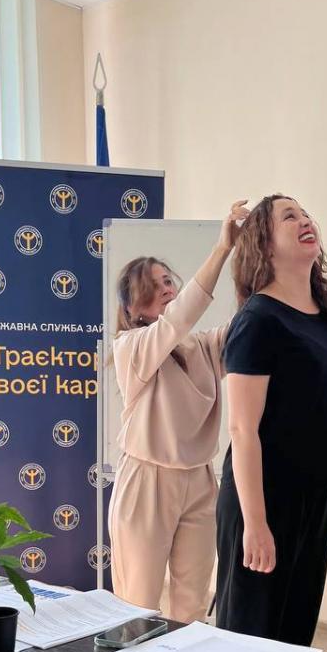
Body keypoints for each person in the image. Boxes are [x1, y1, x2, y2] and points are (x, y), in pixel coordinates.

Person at [215, 194, 327, 645]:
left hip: (316, 495)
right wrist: (255, 524)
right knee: (249, 639)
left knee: (294, 638)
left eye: (306, 213)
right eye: (289, 217)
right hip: (265, 495)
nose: (304, 220)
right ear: (265, 244)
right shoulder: (258, 319)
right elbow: (243, 429)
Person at [109, 201, 248, 622]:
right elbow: (178, 319)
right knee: (137, 607)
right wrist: (221, 248)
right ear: (133, 308)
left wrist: (253, 256)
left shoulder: (202, 347)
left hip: (200, 480)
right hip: (146, 481)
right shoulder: (130, 347)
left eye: (169, 281)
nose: (167, 289)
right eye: (154, 286)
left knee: (192, 605)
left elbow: (246, 325)